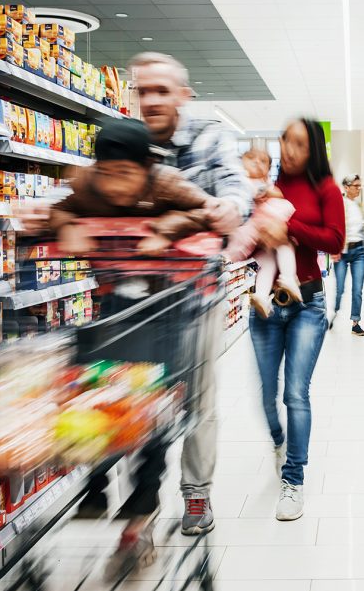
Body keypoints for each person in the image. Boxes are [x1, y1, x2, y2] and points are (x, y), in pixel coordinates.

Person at [70, 52, 249, 569]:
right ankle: (137, 523)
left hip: (194, 295)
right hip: (128, 297)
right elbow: (86, 190)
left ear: (183, 95)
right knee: (127, 402)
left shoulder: (210, 138)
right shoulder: (124, 138)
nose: (149, 100)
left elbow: (234, 191)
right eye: (141, 91)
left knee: (194, 401)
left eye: (160, 91)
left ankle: (196, 492)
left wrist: (226, 209)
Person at [250, 118, 343, 521]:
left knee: (296, 394)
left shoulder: (326, 189)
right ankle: (279, 441)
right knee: (266, 393)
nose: (289, 149)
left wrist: (289, 227)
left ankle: (294, 481)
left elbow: (335, 239)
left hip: (307, 301)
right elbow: (247, 239)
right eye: (285, 139)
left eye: (299, 143)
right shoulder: (265, 187)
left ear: (314, 150)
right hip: (266, 302)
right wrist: (258, 232)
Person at [49, 117, 224, 251]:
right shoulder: (86, 185)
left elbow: (207, 211)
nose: (113, 186)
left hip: (172, 273)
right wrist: (67, 227)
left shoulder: (167, 183)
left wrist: (167, 231)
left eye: (124, 172)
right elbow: (58, 209)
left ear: (147, 166)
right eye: (104, 172)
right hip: (113, 273)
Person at [224, 148, 302, 318]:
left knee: (270, 258)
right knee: (279, 248)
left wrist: (266, 190)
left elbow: (277, 193)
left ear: (269, 169)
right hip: (249, 228)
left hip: (262, 226)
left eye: (263, 161)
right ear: (241, 162)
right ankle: (283, 280)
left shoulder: (265, 183)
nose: (257, 162)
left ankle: (265, 292)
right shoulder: (238, 179)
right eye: (251, 158)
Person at [330, 173, 364, 336]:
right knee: (340, 288)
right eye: (356, 186)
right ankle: (333, 312)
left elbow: (360, 229)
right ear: (346, 187)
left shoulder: (359, 206)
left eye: (360, 186)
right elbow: (335, 226)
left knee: (357, 289)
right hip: (342, 252)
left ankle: (356, 322)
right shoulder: (338, 204)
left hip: (359, 252)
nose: (359, 189)